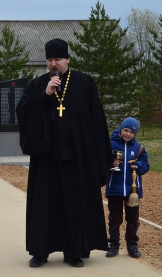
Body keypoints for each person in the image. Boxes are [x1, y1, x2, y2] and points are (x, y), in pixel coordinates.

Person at [16, 38, 112, 267]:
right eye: (49, 60)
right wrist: (45, 95)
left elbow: (97, 122)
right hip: (46, 157)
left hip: (76, 157)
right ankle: (40, 251)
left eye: (57, 59)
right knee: (44, 206)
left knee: (73, 205)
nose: (53, 64)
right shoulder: (38, 85)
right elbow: (23, 112)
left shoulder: (85, 83)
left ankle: (74, 251)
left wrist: (100, 159)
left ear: (67, 59)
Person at [105, 117, 150, 259]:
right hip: (115, 189)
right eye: (125, 130)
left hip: (133, 191)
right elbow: (102, 162)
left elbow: (145, 164)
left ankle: (132, 245)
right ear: (120, 129)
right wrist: (112, 164)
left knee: (133, 219)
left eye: (131, 132)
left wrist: (138, 166)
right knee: (115, 218)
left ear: (135, 134)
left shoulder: (139, 148)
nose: (128, 134)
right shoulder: (110, 144)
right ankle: (113, 245)